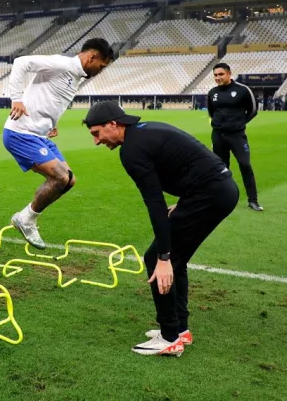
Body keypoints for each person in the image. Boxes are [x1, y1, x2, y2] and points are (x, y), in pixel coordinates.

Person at [83, 101, 239, 357]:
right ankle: (180, 329)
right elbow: (195, 163)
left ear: (113, 125)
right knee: (178, 259)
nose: (97, 141)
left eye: (97, 133)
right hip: (217, 190)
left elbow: (155, 203)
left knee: (157, 258)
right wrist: (188, 201)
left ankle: (169, 337)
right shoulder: (145, 132)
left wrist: (163, 256)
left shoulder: (131, 150)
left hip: (210, 194)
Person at [4, 39, 115, 249]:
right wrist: (16, 99)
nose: (100, 71)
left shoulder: (77, 77)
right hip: (21, 132)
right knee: (60, 177)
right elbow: (20, 63)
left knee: (69, 180)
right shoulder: (61, 64)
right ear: (92, 57)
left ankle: (27, 217)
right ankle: (26, 219)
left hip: (40, 135)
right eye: (101, 66)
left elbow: (54, 100)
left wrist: (51, 123)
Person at [207, 63, 261, 211]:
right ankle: (221, 199)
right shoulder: (212, 92)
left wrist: (239, 123)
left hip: (237, 135)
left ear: (229, 74)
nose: (218, 78)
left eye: (221, 74)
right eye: (215, 75)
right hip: (218, 136)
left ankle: (253, 200)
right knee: (221, 168)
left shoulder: (242, 90)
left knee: (245, 164)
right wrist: (219, 124)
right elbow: (212, 113)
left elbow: (253, 110)